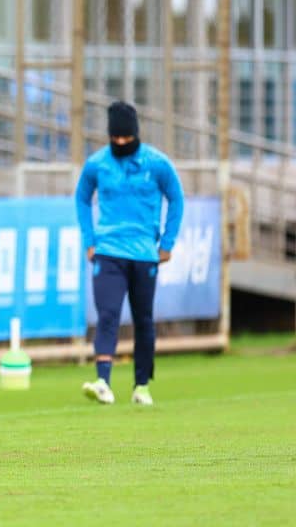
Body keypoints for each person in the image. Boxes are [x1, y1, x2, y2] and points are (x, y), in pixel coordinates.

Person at [75, 101, 184, 407]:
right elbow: (82, 198)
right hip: (108, 251)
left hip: (144, 254)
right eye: (116, 139)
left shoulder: (157, 163)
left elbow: (176, 198)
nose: (121, 143)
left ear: (136, 134)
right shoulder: (97, 164)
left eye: (126, 138)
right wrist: (89, 239)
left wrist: (167, 242)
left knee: (144, 320)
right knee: (107, 314)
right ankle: (103, 382)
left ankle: (141, 386)